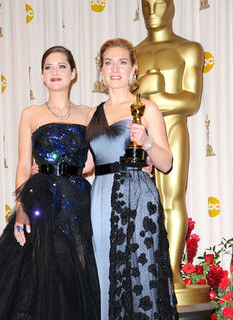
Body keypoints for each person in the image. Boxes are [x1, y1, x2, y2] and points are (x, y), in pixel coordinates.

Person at [0, 46, 100, 320]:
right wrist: (21, 208)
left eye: (61, 66)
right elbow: (24, 164)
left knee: (79, 271)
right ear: (42, 75)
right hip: (41, 199)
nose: (55, 72)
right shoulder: (31, 113)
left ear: (73, 73)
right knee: (40, 272)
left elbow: (92, 163)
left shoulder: (89, 113)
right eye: (48, 67)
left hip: (79, 200)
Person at [87, 38, 178, 319]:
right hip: (99, 197)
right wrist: (46, 168)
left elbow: (166, 163)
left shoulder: (147, 108)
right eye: (108, 62)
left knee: (139, 272)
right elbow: (87, 164)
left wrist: (148, 143)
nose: (115, 69)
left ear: (134, 69)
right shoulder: (94, 113)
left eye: (122, 62)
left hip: (136, 196)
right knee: (103, 270)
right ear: (101, 70)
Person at [135, 0, 204, 289]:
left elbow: (191, 100)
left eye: (159, 5)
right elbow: (124, 102)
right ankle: (149, 270)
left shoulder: (188, 49)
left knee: (173, 198)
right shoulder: (133, 53)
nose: (152, 12)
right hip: (138, 134)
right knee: (140, 204)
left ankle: (173, 271)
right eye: (146, 5)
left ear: (172, 7)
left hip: (173, 127)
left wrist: (153, 93)